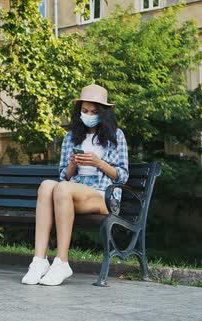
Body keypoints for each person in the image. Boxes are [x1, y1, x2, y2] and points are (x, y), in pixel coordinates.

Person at [21, 84, 129, 286]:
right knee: (46, 185)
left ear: (103, 113)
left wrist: (99, 163)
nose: (89, 115)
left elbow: (122, 176)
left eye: (94, 112)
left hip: (104, 195)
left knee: (62, 188)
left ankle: (62, 261)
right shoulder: (71, 137)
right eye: (85, 111)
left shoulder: (116, 136)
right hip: (73, 193)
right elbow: (64, 175)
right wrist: (72, 164)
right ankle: (39, 261)